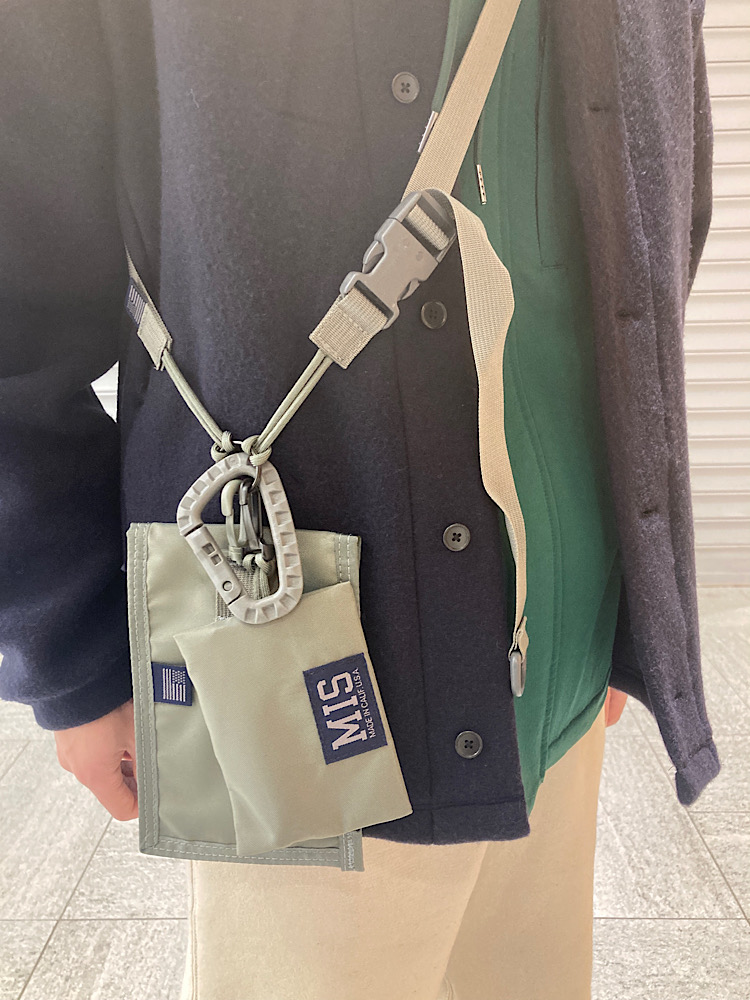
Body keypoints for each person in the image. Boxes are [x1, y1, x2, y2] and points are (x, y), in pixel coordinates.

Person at [0, 0, 719, 997]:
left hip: (564, 629)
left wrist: (632, 592)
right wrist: (69, 648)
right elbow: (18, 274)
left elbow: (656, 184)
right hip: (287, 651)